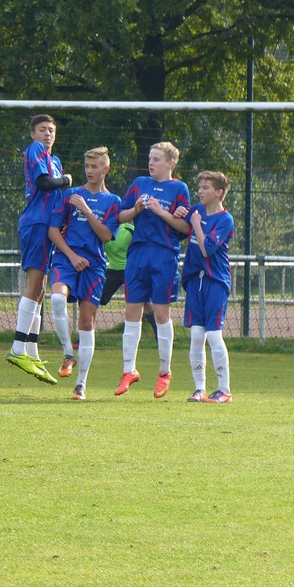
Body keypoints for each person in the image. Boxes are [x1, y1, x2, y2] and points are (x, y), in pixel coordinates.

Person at [114, 142, 191, 398]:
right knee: (131, 311)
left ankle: (164, 372)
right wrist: (135, 209)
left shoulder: (179, 189)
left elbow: (185, 228)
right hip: (138, 254)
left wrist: (162, 212)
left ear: (171, 163)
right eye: (150, 158)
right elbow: (119, 216)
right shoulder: (139, 184)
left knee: (160, 314)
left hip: (164, 255)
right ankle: (128, 370)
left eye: (157, 159)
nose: (151, 163)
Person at [47, 147, 120, 401]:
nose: (89, 171)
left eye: (94, 166)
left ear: (105, 169)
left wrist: (87, 211)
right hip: (67, 259)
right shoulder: (70, 194)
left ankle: (80, 384)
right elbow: (53, 231)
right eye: (87, 166)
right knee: (57, 299)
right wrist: (71, 256)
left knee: (87, 323)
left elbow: (106, 236)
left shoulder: (113, 201)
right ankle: (68, 354)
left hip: (94, 266)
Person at [7, 114, 72, 385]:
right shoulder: (36, 150)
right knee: (34, 285)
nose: (47, 134)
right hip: (36, 223)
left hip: (48, 225)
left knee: (41, 289)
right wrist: (66, 180)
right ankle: (17, 347)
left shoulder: (55, 160)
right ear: (33, 134)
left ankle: (32, 352)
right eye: (42, 129)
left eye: (51, 130)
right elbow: (44, 183)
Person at [181, 171, 235, 403]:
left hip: (215, 280)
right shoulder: (196, 210)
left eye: (205, 188)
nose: (200, 191)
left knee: (213, 334)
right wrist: (173, 212)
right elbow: (179, 224)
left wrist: (195, 224)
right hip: (196, 279)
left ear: (219, 192)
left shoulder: (225, 219)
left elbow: (206, 250)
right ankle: (199, 389)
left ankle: (224, 390)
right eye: (199, 187)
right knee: (196, 334)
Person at [98, 221, 157, 335]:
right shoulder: (101, 230)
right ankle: (85, 335)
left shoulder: (129, 230)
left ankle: (159, 334)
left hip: (131, 269)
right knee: (93, 300)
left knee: (145, 302)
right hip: (113, 270)